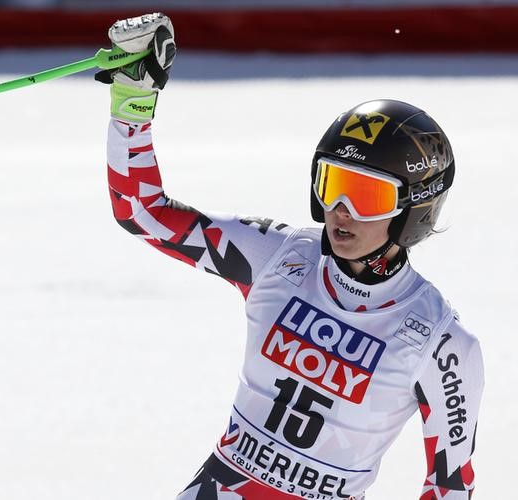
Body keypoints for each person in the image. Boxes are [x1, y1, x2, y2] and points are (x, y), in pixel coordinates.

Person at [97, 13, 484, 500]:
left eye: (366, 196)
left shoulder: (442, 342)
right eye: (332, 184)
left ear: (416, 207)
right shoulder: (276, 256)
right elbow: (144, 213)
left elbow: (449, 487)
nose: (339, 211)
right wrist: (134, 101)